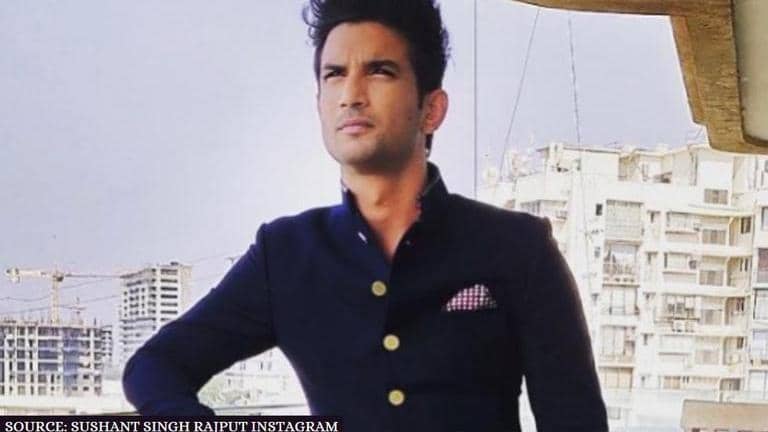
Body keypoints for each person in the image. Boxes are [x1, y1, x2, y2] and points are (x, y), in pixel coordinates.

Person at [122, 0, 608, 430]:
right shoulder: (287, 254)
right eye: (334, 74)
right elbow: (155, 367)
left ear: (431, 109)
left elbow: (576, 419)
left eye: (379, 71)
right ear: (319, 104)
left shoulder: (517, 248)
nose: (351, 94)